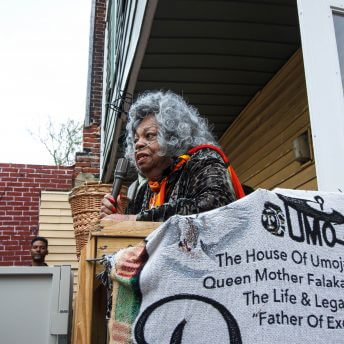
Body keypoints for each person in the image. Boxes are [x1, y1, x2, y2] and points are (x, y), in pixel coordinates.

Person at [100, 90, 244, 222]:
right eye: (135, 140)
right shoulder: (145, 191)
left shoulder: (204, 159)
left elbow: (215, 206)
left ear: (171, 136)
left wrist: (132, 220)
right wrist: (120, 219)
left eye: (149, 135)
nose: (138, 144)